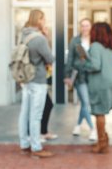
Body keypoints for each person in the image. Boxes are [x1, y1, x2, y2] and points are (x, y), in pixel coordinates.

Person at [75, 22, 112, 153]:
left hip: (100, 84)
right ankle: (104, 139)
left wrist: (83, 62)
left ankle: (102, 143)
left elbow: (95, 66)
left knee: (99, 113)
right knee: (102, 112)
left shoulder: (96, 46)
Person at [18, 9, 55, 158]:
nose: (45, 22)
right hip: (38, 80)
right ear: (39, 20)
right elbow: (50, 58)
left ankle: (24, 144)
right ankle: (36, 147)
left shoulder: (23, 35)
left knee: (24, 113)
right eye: (44, 19)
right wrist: (46, 36)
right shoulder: (40, 38)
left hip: (26, 79)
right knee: (36, 115)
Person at [64, 18, 97, 141]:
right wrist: (67, 76)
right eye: (82, 25)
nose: (84, 28)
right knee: (86, 103)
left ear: (91, 26)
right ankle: (92, 129)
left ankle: (77, 126)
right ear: (80, 27)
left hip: (92, 76)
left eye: (87, 25)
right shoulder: (75, 41)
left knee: (84, 103)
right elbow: (70, 58)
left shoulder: (95, 40)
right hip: (79, 76)